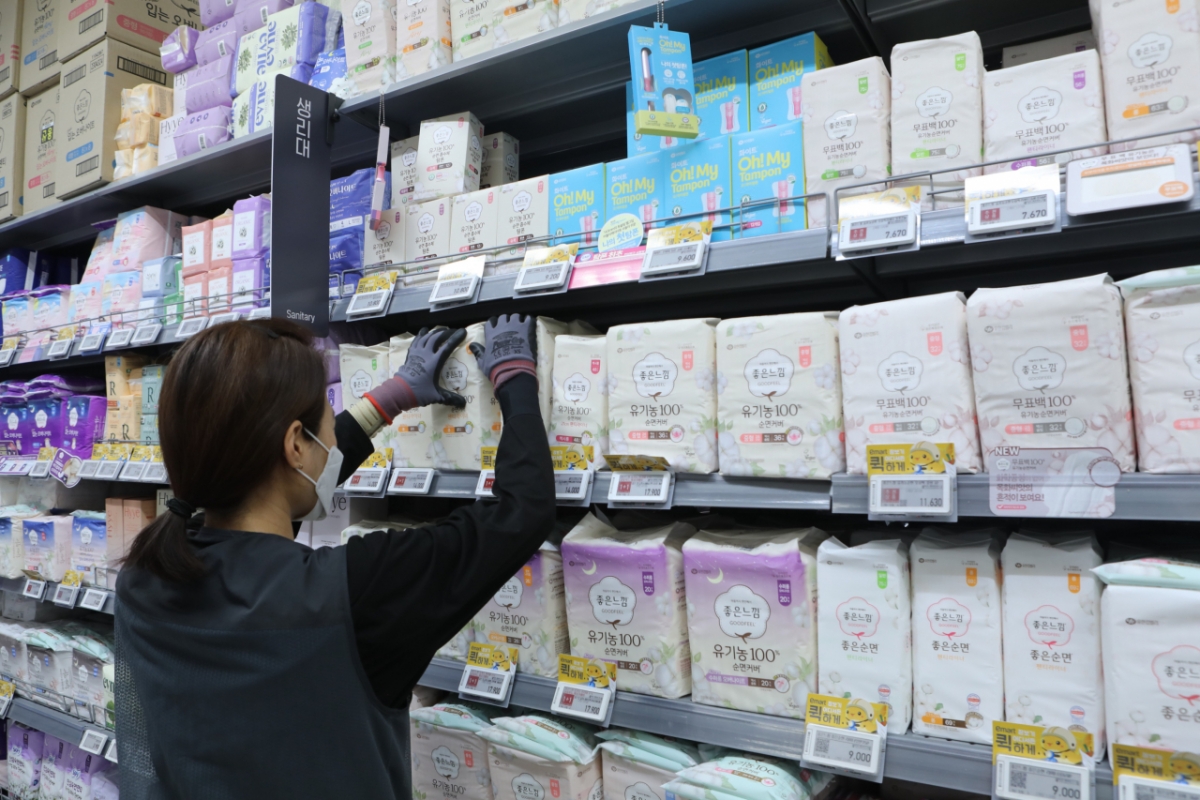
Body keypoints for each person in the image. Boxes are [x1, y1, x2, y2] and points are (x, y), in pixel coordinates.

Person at [115, 315, 555, 800]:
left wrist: (389, 399)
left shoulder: (144, 577)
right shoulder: (358, 590)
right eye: (328, 417)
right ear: (295, 444)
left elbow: (261, 516)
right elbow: (522, 512)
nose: (332, 437)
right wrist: (514, 378)